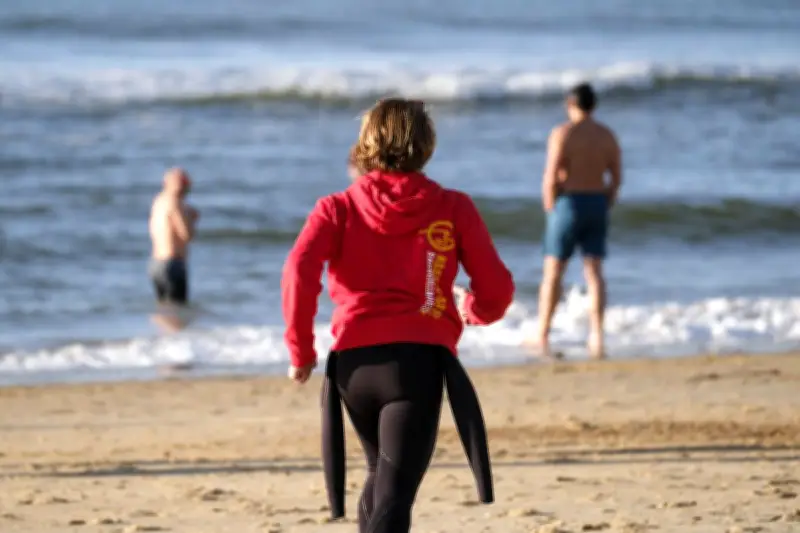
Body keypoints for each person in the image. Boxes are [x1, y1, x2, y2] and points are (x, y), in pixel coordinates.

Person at [281, 98, 515, 533]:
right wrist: (474, 310)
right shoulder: (453, 207)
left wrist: (301, 351)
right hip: (415, 367)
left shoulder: (336, 207)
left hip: (353, 367)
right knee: (393, 495)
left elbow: (298, 269)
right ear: (426, 145)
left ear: (366, 143)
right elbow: (497, 289)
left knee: (380, 477)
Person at [535, 83, 622, 360]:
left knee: (553, 270)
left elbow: (551, 175)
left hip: (569, 202)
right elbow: (616, 178)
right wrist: (606, 202)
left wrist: (550, 207)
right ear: (594, 105)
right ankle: (597, 335)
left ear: (570, 104)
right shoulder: (607, 135)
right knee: (594, 272)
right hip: (596, 201)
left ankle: (543, 333)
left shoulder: (563, 133)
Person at [148, 167, 199, 307]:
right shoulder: (175, 203)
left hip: (156, 262)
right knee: (177, 308)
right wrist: (192, 220)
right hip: (172, 262)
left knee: (164, 307)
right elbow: (187, 235)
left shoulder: (158, 201)